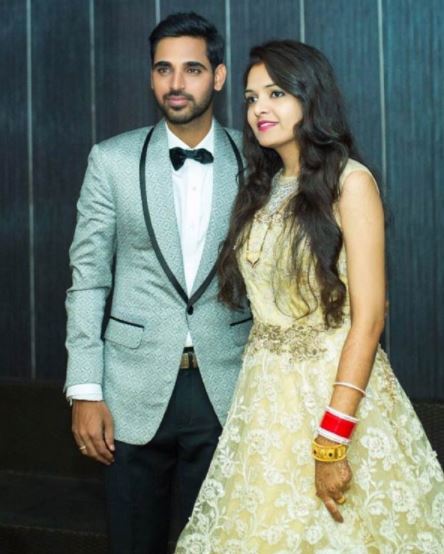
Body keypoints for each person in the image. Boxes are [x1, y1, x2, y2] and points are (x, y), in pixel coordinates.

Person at [176, 40, 444, 553]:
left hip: (332, 391)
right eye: (251, 98)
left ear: (310, 96)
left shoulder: (350, 183)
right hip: (264, 398)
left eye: (276, 93)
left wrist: (334, 436)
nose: (259, 108)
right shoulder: (263, 187)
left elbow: (370, 318)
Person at [64, 12, 251, 554]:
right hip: (129, 391)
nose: (176, 83)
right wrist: (85, 389)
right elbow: (88, 280)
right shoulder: (111, 160)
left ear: (218, 76)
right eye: (163, 69)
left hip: (227, 387)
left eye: (192, 69)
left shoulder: (258, 160)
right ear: (150, 77)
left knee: (214, 545)